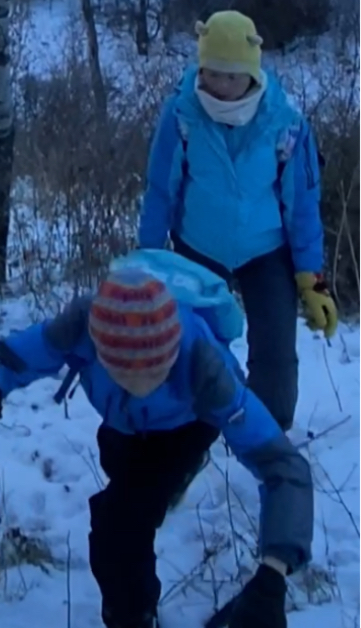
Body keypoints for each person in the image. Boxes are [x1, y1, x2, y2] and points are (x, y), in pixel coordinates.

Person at [0, 268, 314, 628]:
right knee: (125, 494)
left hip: (185, 428)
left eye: (157, 374)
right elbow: (12, 356)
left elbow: (281, 466)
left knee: (117, 526)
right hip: (122, 428)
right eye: (124, 372)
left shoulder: (207, 369)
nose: (142, 384)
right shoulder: (81, 326)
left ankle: (131, 618)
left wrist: (273, 574)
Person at [138, 10, 337, 434]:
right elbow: (160, 191)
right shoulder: (182, 115)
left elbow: (302, 205)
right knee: (192, 346)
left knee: (275, 354)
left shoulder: (285, 124)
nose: (220, 87)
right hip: (198, 249)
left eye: (231, 77)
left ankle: (268, 437)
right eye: (211, 74)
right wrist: (148, 265)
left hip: (266, 252)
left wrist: (312, 279)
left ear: (252, 73)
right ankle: (185, 439)